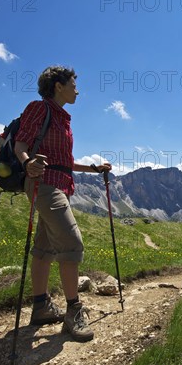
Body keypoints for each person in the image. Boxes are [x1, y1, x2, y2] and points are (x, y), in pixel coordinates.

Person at [14, 66, 111, 342]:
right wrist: (27, 163)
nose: (77, 90)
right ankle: (73, 310)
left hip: (59, 183)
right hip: (43, 182)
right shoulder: (39, 108)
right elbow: (21, 145)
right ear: (58, 86)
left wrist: (94, 168)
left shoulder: (61, 118)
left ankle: (41, 306)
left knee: (44, 247)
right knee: (71, 241)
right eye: (73, 84)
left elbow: (63, 160)